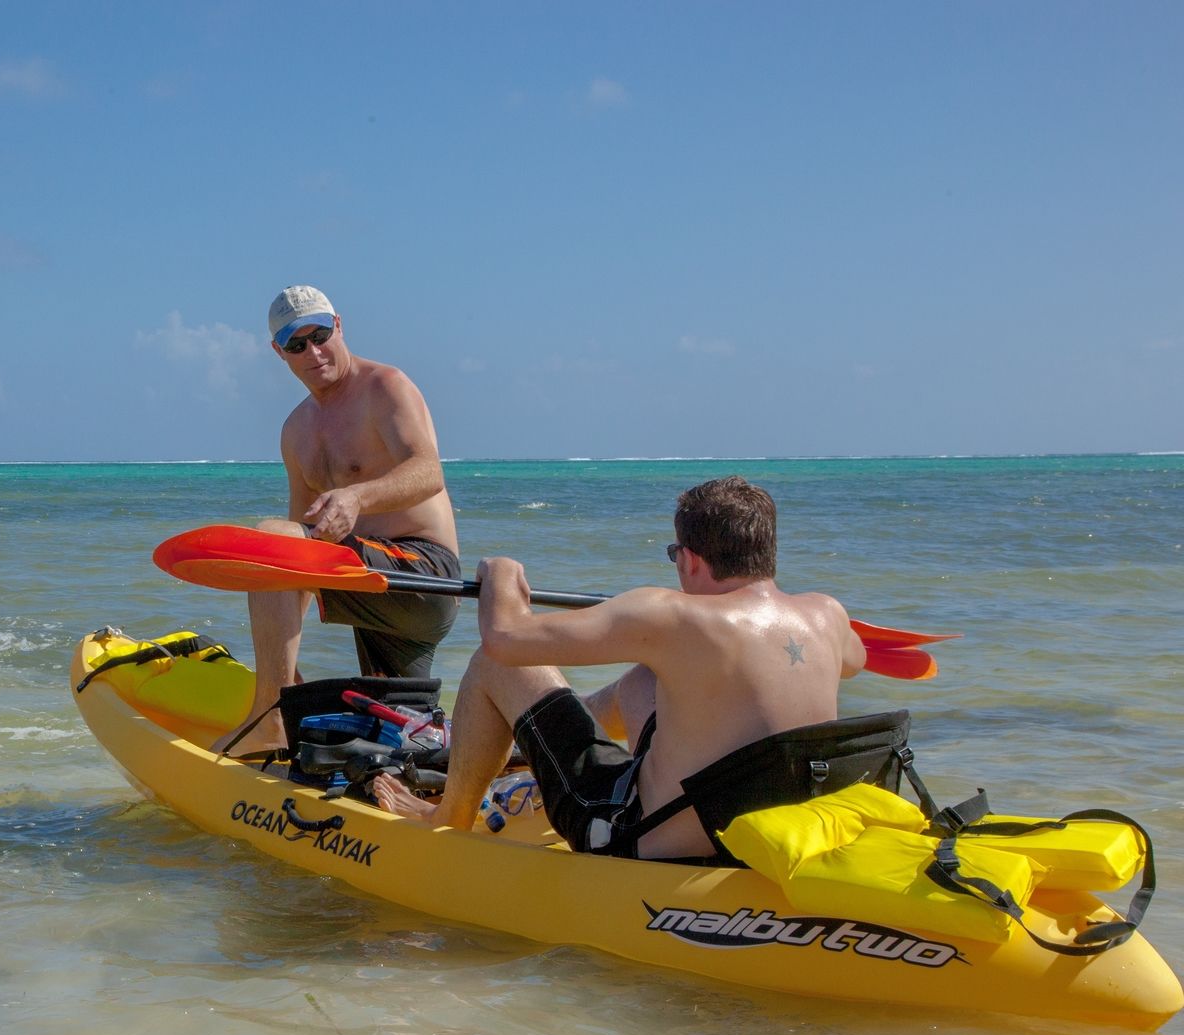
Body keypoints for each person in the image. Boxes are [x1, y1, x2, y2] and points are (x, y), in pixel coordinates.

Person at [371, 477, 869, 861]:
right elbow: (855, 660)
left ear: (690, 560)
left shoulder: (671, 615)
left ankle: (449, 815)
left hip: (641, 838)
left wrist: (501, 573)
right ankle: (523, 749)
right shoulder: (826, 614)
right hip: (762, 827)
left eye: (675, 555)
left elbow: (505, 641)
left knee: (491, 666)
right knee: (648, 678)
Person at [217, 285, 462, 751]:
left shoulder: (385, 387)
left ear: (339, 326)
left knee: (269, 538)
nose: (313, 352)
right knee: (401, 737)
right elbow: (298, 547)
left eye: (320, 335)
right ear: (279, 352)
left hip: (422, 577)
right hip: (364, 584)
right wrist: (284, 663)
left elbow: (429, 472)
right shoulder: (295, 431)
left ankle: (268, 717)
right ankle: (292, 713)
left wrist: (356, 498)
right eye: (296, 344)